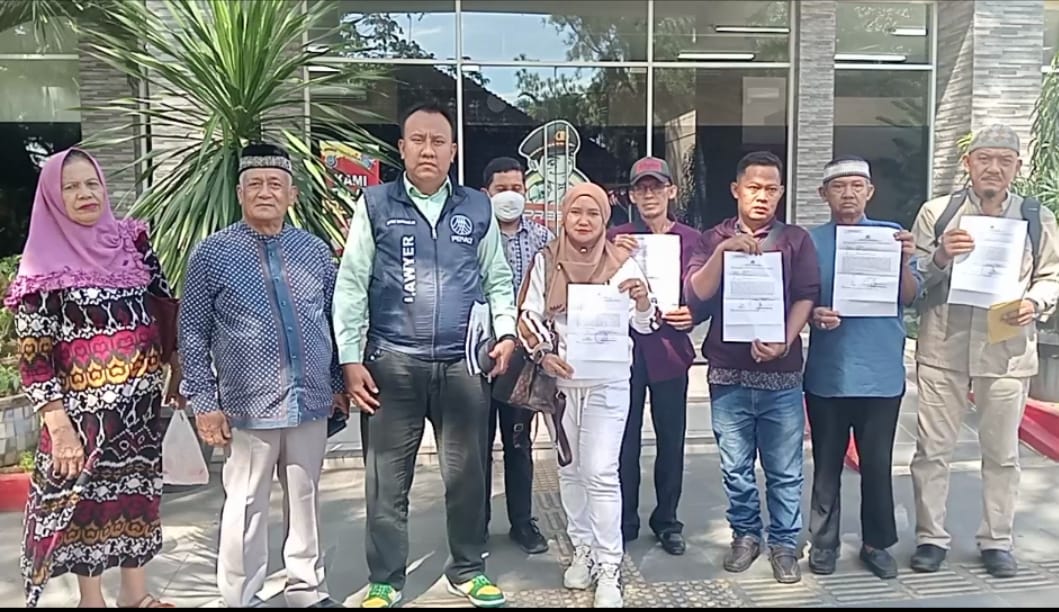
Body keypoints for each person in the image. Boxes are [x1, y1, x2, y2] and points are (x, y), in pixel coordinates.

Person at [333, 103, 517, 609]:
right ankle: (386, 578)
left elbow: (498, 278)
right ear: (402, 148)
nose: (428, 150)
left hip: (463, 364)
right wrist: (350, 357)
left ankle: (468, 568)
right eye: (418, 140)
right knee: (386, 480)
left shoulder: (477, 207)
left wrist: (505, 333)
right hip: (393, 361)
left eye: (439, 141)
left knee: (468, 476)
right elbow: (351, 282)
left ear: (453, 150)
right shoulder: (375, 204)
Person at [5, 148, 177, 608]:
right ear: (53, 196)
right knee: (86, 507)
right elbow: (34, 360)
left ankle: (136, 595)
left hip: (139, 412)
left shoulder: (132, 242)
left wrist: (177, 367)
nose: (85, 194)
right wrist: (59, 427)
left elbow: (163, 304)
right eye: (71, 187)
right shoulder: (42, 265)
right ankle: (92, 599)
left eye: (91, 183)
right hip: (83, 420)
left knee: (137, 495)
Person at [178, 143, 346, 608]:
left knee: (306, 498)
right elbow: (191, 332)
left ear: (292, 194)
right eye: (255, 183)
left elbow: (334, 321)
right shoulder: (212, 254)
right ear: (239, 193)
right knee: (246, 504)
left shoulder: (314, 251)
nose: (265, 192)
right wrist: (204, 403)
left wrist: (337, 385)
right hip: (247, 406)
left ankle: (307, 590)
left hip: (309, 399)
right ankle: (240, 596)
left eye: (275, 183)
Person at [908, 124, 1059, 578]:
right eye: (984, 159)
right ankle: (931, 537)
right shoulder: (938, 213)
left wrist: (1036, 302)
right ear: (968, 163)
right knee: (932, 450)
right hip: (944, 347)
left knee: (1002, 453)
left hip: (1006, 351)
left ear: (1017, 167)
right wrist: (940, 256)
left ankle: (997, 540)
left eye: (1004, 160)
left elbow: (1051, 275)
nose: (994, 168)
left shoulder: (1036, 217)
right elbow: (912, 278)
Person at [518, 182, 657, 609]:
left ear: (604, 219)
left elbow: (646, 324)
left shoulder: (623, 263)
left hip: (608, 384)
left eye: (593, 213)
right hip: (561, 387)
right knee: (570, 470)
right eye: (576, 212)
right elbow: (527, 314)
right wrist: (543, 354)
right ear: (564, 216)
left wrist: (642, 302)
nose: (583, 220)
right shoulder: (546, 260)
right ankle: (583, 550)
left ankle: (610, 567)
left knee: (600, 472)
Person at [684, 151, 820, 584]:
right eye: (754, 187)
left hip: (782, 376)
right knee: (736, 468)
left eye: (771, 189)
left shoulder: (795, 239)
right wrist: (723, 252)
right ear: (736, 190)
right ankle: (745, 534)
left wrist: (784, 339)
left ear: (781, 192)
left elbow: (807, 295)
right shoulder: (714, 237)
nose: (762, 196)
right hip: (728, 374)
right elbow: (696, 294)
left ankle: (784, 543)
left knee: (785, 470)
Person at [803, 157, 922, 579]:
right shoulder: (809, 242)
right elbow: (799, 298)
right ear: (824, 194)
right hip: (829, 372)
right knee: (826, 465)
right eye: (839, 187)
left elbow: (910, 297)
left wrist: (904, 260)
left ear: (870, 192)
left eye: (857, 186)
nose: (848, 194)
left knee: (877, 465)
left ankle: (877, 543)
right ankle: (824, 543)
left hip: (880, 373)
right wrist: (813, 314)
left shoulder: (891, 236)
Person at [607, 157, 699, 556]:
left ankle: (667, 519)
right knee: (624, 440)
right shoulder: (614, 237)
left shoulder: (691, 239)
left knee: (670, 439)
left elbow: (702, 291)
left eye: (656, 187)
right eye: (641, 188)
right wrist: (609, 255)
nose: (649, 195)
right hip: (625, 352)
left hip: (670, 351)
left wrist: (695, 313)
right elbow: (594, 286)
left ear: (671, 191)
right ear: (631, 196)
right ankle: (625, 518)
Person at [480, 156, 554, 554]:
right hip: (479, 358)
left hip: (524, 361)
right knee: (476, 448)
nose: (510, 196)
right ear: (486, 193)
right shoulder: (473, 234)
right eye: (501, 189)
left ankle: (522, 523)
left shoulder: (543, 238)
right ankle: (475, 526)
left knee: (520, 444)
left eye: (517, 189)